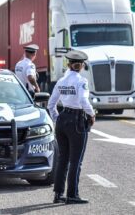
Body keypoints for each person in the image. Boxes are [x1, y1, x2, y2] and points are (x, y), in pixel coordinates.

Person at [47, 50, 95, 205]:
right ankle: (72, 195)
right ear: (81, 66)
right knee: (75, 161)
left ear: (68, 64)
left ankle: (58, 194)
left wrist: (57, 118)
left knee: (63, 159)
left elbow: (51, 104)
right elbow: (83, 100)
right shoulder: (81, 81)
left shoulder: (61, 81)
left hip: (62, 119)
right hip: (76, 121)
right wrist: (92, 114)